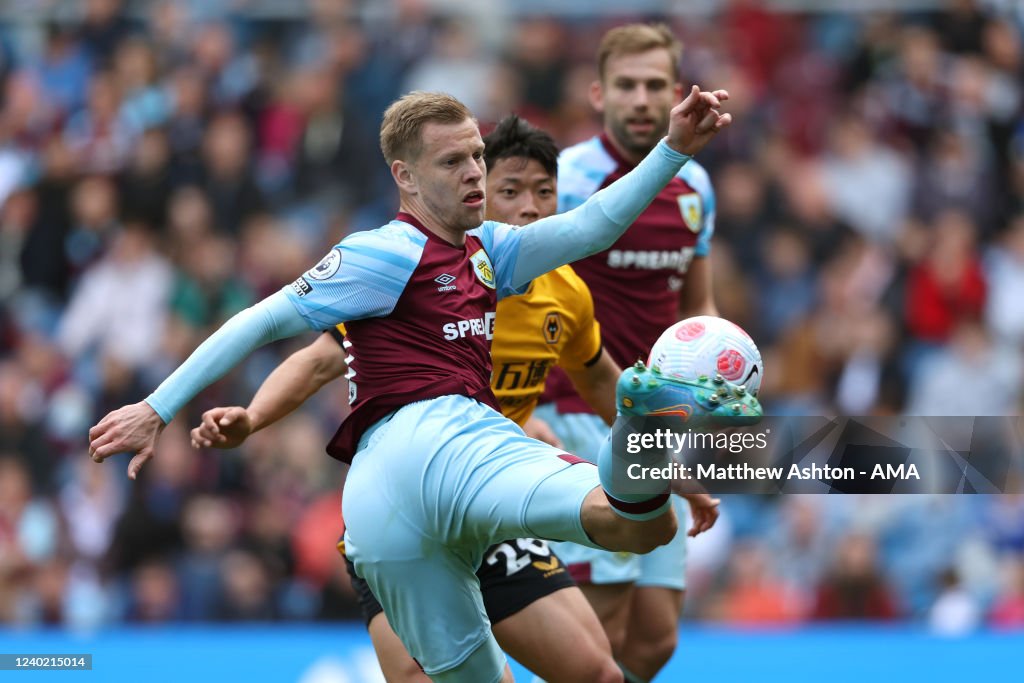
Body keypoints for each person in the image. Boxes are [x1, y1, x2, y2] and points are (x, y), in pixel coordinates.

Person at [89, 86, 732, 682]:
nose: (475, 171)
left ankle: (638, 439)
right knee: (639, 526)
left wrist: (672, 147)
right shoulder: (389, 250)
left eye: (477, 155)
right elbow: (265, 321)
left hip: (380, 508)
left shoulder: (490, 251)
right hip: (445, 439)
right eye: (454, 162)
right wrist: (158, 405)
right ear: (405, 177)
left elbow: (591, 225)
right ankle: (640, 427)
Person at [189, 115, 640, 683]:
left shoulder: (565, 293)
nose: (529, 208)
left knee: (599, 673)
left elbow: (601, 380)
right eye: (510, 191)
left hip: (493, 504)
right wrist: (251, 418)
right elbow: (314, 363)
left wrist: (680, 462)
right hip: (408, 510)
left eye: (544, 193)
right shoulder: (416, 280)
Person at [534, 24, 720, 683]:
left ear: (675, 93)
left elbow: (697, 306)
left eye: (653, 86)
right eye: (626, 85)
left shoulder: (696, 187)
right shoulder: (570, 179)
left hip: (661, 422)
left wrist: (724, 375)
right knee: (599, 629)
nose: (641, 99)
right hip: (582, 412)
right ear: (597, 92)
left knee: (654, 639)